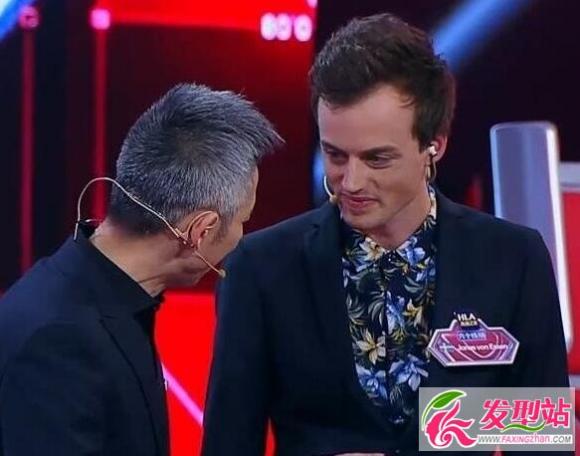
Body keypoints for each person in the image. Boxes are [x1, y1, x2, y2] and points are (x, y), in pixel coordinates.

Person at [201, 13, 570, 456]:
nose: (351, 182)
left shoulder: (513, 258)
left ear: (434, 146)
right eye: (336, 155)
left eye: (377, 159)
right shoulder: (261, 268)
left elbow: (541, 440)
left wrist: (443, 433)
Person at [0, 83, 281, 456]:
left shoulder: (103, 296)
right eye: (244, 219)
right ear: (200, 230)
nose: (243, 235)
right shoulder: (58, 342)